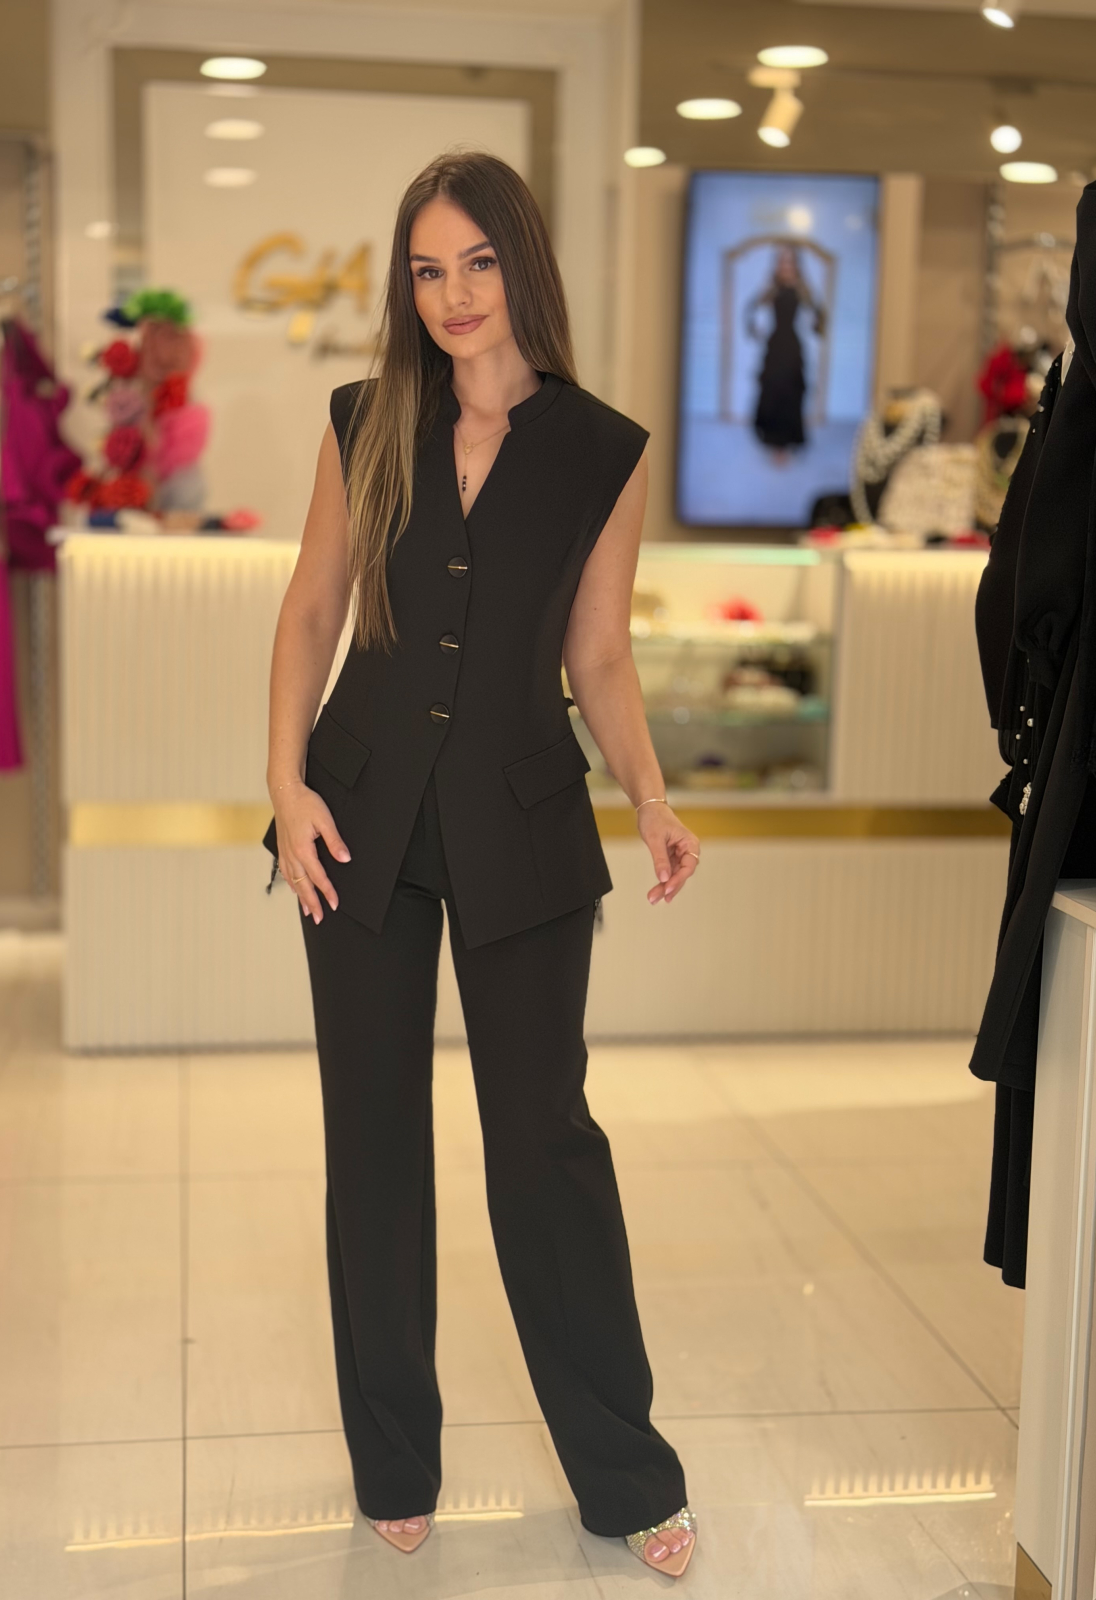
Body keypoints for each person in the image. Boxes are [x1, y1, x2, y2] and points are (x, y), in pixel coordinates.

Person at [263, 150, 701, 1579]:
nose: (452, 295)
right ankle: (394, 1460)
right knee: (374, 1142)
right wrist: (284, 785)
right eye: (426, 270)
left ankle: (627, 1476)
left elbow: (600, 653)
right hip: (359, 821)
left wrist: (649, 795)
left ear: (523, 264)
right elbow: (312, 605)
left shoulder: (602, 450)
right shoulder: (367, 420)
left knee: (545, 1146)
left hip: (523, 828)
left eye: (477, 262)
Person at [745, 243, 826, 458]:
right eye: (782, 262)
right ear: (777, 265)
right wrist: (754, 330)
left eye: (790, 262)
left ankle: (787, 442)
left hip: (792, 346)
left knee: (791, 393)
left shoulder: (803, 290)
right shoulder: (771, 289)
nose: (786, 266)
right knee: (772, 391)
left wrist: (816, 326)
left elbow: (819, 316)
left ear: (796, 265)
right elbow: (751, 309)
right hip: (774, 346)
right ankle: (772, 442)